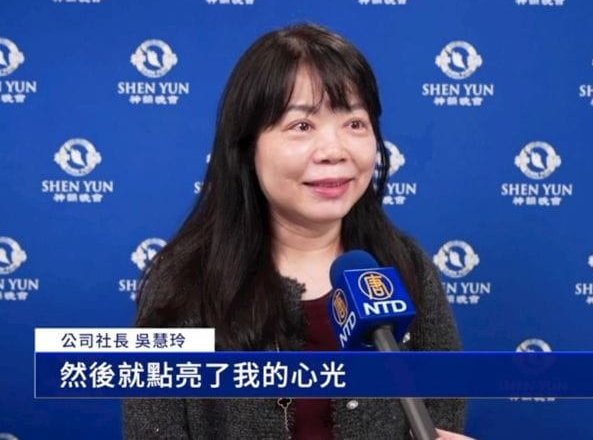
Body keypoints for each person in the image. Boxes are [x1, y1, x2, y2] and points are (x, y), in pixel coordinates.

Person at [123, 23, 469, 440]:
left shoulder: (407, 267)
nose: (334, 151)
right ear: (247, 146)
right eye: (302, 126)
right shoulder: (182, 282)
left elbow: (444, 414)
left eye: (354, 123)